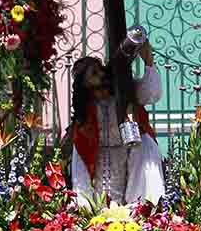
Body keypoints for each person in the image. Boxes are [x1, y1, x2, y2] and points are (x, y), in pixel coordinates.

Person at [68, 45, 165, 205]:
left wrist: (148, 62)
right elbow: (83, 142)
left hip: (130, 153)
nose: (101, 74)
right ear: (85, 83)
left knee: (137, 196)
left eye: (100, 70)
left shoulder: (125, 92)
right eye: (94, 73)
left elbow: (150, 93)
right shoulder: (86, 108)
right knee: (98, 205)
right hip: (100, 159)